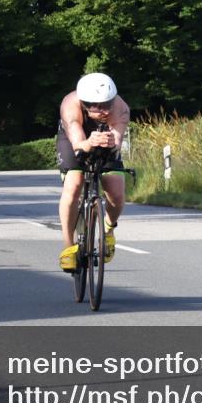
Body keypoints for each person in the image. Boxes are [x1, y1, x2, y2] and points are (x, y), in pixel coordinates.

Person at [57, 73, 130, 271]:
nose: (105, 110)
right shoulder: (70, 106)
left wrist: (110, 142)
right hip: (75, 138)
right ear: (85, 103)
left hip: (103, 138)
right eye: (98, 106)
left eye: (108, 104)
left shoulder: (120, 108)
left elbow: (116, 140)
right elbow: (77, 143)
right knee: (73, 185)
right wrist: (89, 143)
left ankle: (107, 229)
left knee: (116, 192)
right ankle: (67, 246)